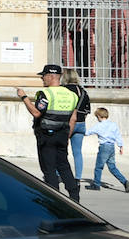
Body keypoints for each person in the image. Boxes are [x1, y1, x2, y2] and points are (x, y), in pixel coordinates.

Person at [17, 64, 81, 202]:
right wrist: (67, 136)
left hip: (47, 136)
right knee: (64, 166)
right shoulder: (72, 95)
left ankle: (54, 199)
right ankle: (74, 197)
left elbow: (36, 112)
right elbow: (74, 118)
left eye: (43, 75)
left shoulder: (45, 94)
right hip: (63, 135)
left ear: (51, 76)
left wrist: (24, 97)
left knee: (49, 169)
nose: (42, 78)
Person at [86, 107, 129, 192]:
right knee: (112, 167)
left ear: (99, 116)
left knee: (98, 167)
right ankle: (125, 182)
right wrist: (121, 146)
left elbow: (87, 132)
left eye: (97, 117)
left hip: (104, 147)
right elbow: (118, 136)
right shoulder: (113, 125)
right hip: (111, 147)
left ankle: (96, 184)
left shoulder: (98, 126)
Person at [62, 68, 92, 183]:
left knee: (61, 150)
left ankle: (59, 173)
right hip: (81, 123)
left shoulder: (63, 90)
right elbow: (87, 109)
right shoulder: (83, 91)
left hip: (67, 123)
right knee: (77, 152)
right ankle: (78, 177)